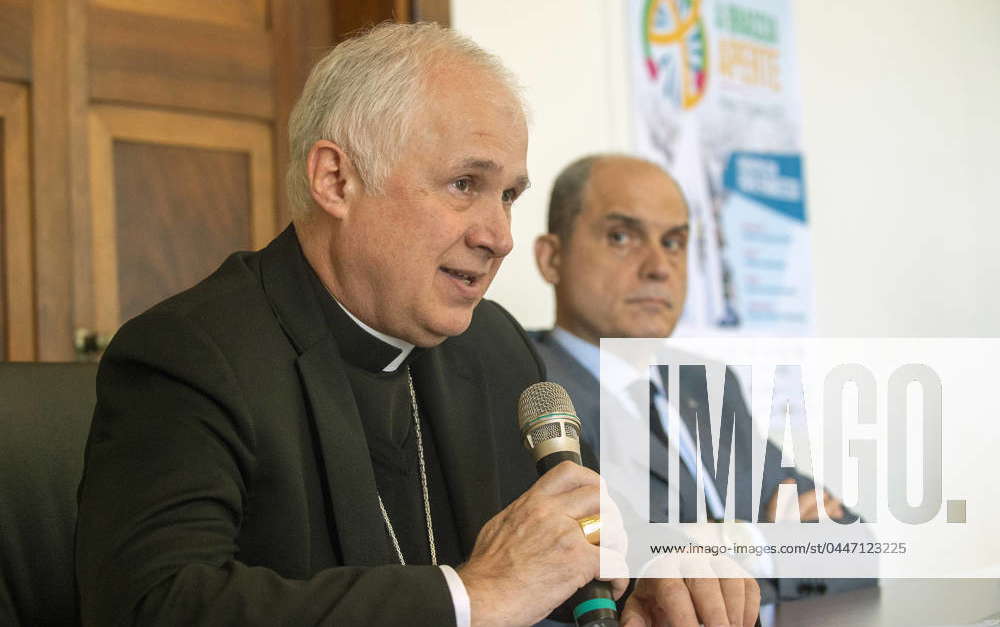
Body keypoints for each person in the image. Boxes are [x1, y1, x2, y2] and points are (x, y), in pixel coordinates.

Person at [75, 25, 759, 627]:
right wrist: (467, 597)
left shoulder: (492, 348)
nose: (500, 236)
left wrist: (645, 579)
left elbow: (549, 560)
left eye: (509, 195)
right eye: (465, 184)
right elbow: (150, 604)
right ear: (336, 180)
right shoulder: (191, 353)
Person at [531, 154, 876, 607]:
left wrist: (724, 547)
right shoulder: (528, 385)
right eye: (621, 237)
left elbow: (856, 547)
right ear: (552, 258)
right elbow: (615, 563)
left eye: (673, 242)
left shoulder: (707, 385)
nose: (658, 266)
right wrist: (769, 542)